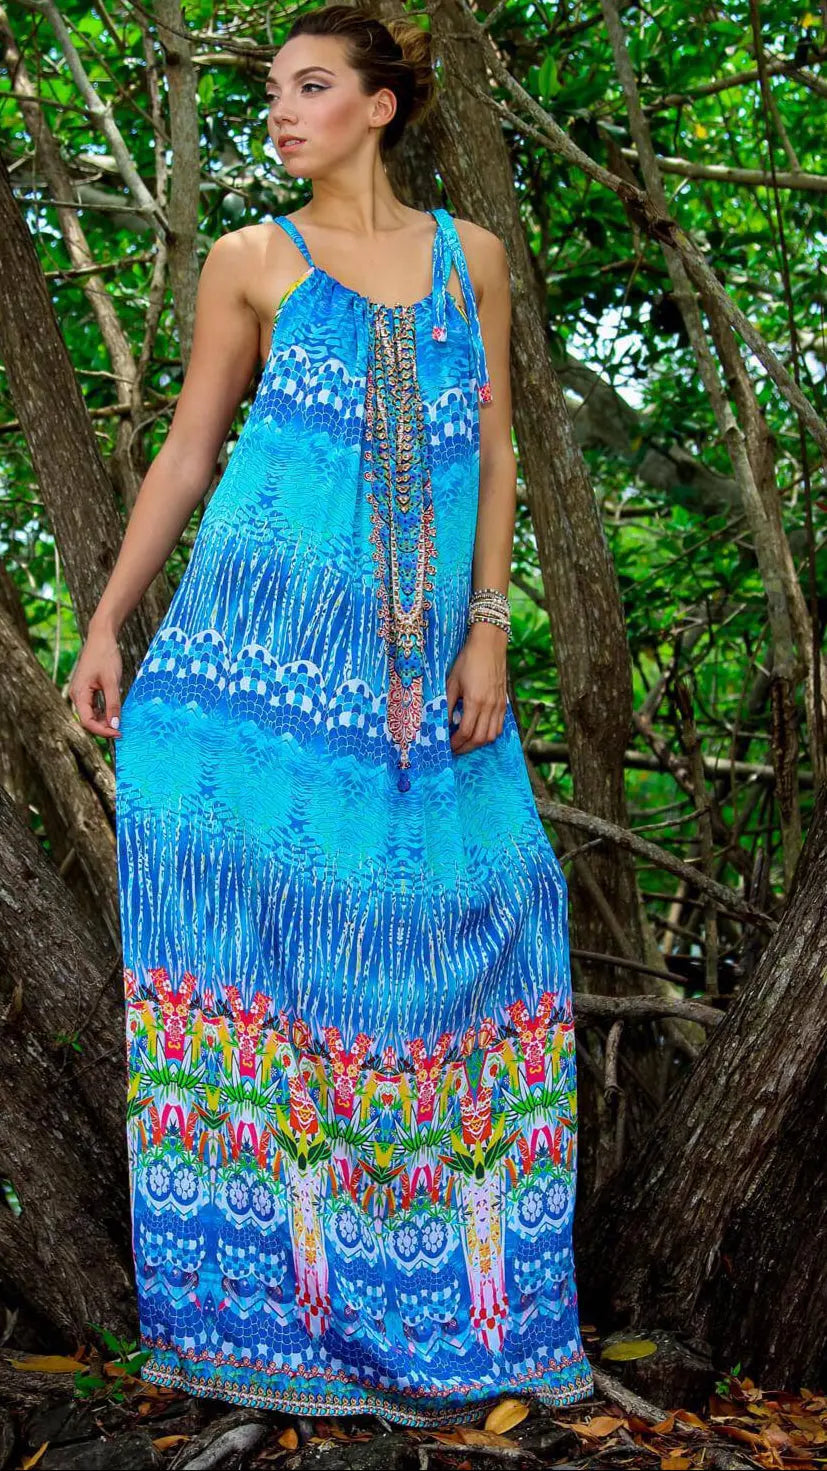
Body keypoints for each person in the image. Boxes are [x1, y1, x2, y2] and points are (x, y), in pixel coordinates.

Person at [70, 3, 594, 1427]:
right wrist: (112, 624)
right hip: (248, 684)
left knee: (491, 917)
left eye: (310, 88)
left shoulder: (469, 259)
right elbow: (191, 453)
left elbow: (491, 451)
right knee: (271, 978)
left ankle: (453, 1304)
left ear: (381, 106)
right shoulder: (250, 262)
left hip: (421, 679)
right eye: (269, 94)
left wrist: (491, 630)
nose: (281, 115)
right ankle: (279, 1317)